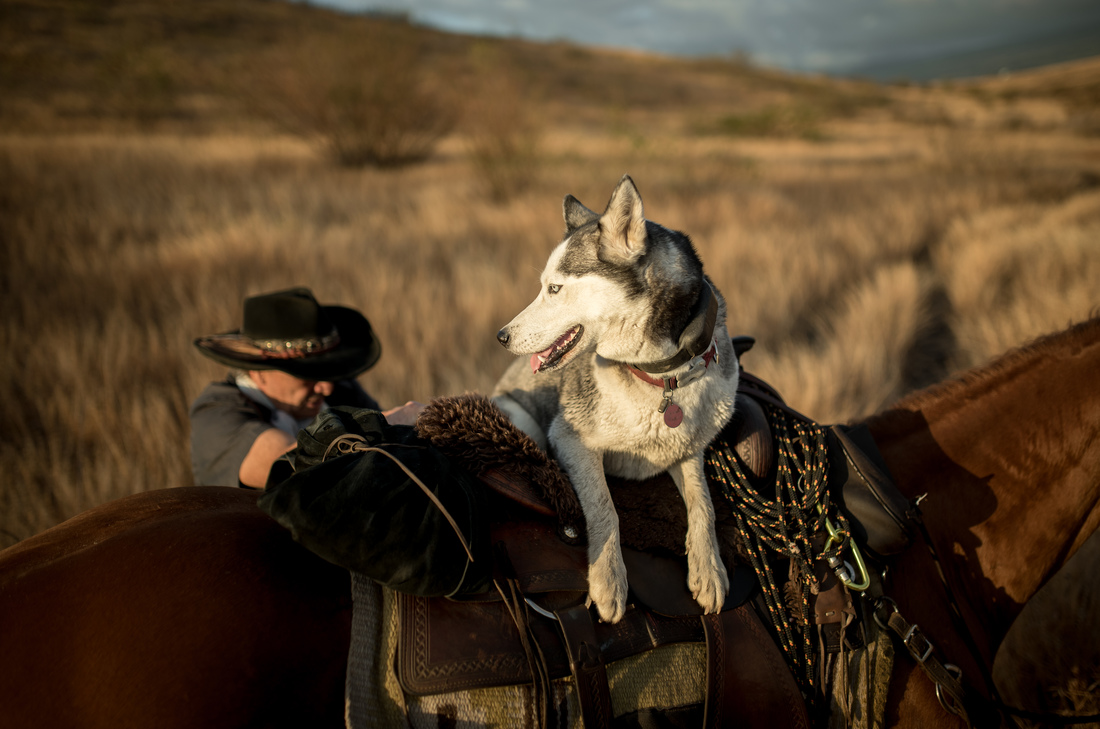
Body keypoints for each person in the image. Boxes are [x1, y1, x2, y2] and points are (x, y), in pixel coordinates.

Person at [189, 287, 423, 489]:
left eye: (327, 372)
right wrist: (387, 422)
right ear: (258, 371)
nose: (326, 388)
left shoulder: (341, 388)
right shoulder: (217, 413)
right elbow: (287, 463)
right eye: (306, 375)